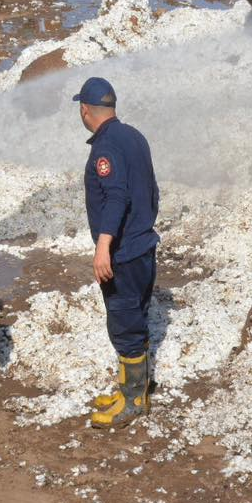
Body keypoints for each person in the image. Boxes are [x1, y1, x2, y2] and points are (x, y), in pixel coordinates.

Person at [74, 78, 159, 428]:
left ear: (84, 110)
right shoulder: (134, 136)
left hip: (123, 254)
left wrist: (103, 246)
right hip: (143, 247)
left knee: (124, 323)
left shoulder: (105, 147)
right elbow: (151, 189)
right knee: (136, 317)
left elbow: (117, 196)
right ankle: (133, 389)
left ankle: (134, 401)